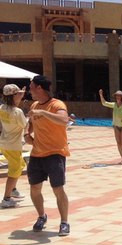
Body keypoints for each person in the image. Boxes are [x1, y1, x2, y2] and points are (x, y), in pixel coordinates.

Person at [25, 75, 71, 236]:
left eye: (31, 87)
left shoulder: (56, 104)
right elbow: (31, 123)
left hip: (55, 153)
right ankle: (41, 216)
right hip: (37, 154)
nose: (29, 90)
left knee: (57, 188)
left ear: (39, 88)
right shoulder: (35, 105)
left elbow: (63, 120)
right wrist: (27, 134)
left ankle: (64, 222)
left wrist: (43, 113)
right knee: (34, 188)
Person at [0, 84, 27, 208]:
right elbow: (25, 125)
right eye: (19, 94)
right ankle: (6, 198)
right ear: (14, 96)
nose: (21, 95)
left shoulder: (1, 108)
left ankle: (13, 189)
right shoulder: (17, 112)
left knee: (20, 165)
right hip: (14, 145)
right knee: (15, 170)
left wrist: (19, 97)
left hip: (4, 143)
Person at [99, 89, 122, 164]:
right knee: (118, 143)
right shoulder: (114, 105)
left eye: (119, 96)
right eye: (116, 96)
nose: (117, 97)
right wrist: (101, 95)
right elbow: (104, 103)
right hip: (116, 126)